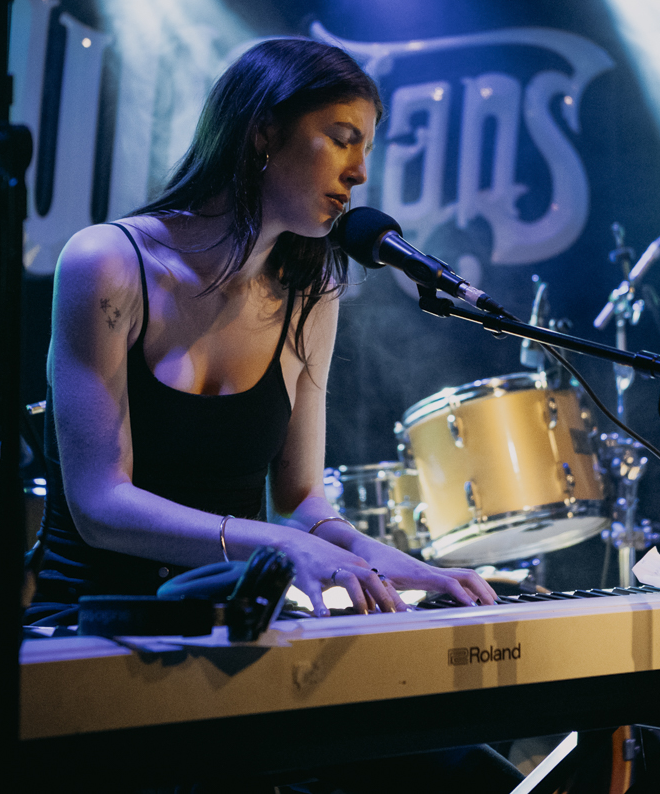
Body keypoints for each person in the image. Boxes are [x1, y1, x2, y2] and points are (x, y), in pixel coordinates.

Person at [28, 38, 499, 621]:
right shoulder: (107, 263)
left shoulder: (311, 294)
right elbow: (100, 505)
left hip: (232, 626)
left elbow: (301, 502)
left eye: (366, 149)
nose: (359, 172)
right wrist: (279, 542)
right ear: (263, 133)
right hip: (87, 626)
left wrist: (399, 565)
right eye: (342, 140)